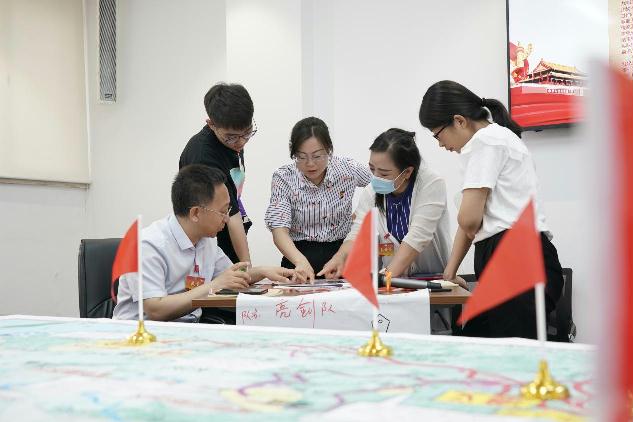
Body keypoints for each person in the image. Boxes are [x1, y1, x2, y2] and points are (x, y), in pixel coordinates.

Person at [418, 80, 563, 339]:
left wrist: (465, 214)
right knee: (477, 342)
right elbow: (469, 224)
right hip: (512, 259)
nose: (440, 144)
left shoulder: (486, 141)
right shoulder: (496, 139)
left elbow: (469, 221)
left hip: (516, 261)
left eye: (437, 135)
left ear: (459, 121)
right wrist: (450, 272)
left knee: (505, 352)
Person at [113, 165, 302, 323]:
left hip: (190, 330)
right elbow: (155, 309)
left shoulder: (206, 240)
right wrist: (214, 286)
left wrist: (263, 272)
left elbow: (230, 276)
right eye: (223, 211)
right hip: (142, 337)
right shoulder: (148, 245)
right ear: (195, 213)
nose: (227, 219)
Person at [319, 128, 452, 281]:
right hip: (393, 279)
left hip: (431, 277)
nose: (375, 178)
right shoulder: (372, 191)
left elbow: (418, 237)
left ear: (407, 172)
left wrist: (385, 277)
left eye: (384, 173)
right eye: (372, 169)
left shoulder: (431, 184)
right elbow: (358, 231)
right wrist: (340, 258)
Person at [264, 117, 371, 282]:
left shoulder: (347, 169)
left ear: (329, 150)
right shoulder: (284, 177)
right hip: (299, 256)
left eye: (317, 156)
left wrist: (361, 214)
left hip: (343, 254)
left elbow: (381, 187)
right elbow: (279, 230)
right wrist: (299, 261)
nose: (310, 164)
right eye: (301, 157)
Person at [179, 83, 255, 265]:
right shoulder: (204, 156)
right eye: (231, 137)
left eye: (247, 133)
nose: (241, 142)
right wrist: (248, 267)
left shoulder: (233, 141)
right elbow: (231, 213)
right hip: (208, 240)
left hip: (226, 231)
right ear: (211, 124)